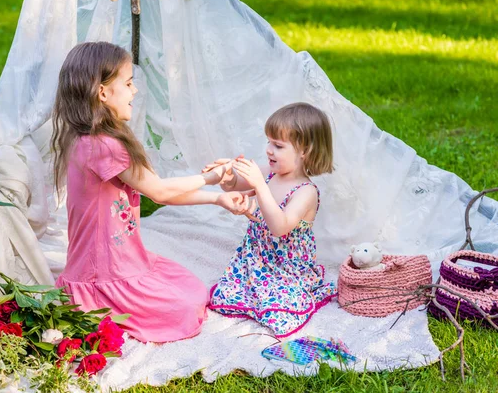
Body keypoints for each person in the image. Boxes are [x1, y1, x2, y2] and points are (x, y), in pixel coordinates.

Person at [51, 42, 250, 343]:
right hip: (104, 271)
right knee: (183, 311)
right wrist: (210, 178)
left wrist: (217, 198)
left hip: (124, 258)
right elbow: (160, 191)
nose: (135, 92)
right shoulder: (103, 146)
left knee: (193, 290)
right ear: (103, 93)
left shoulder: (94, 137)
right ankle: (99, 302)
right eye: (128, 84)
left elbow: (159, 191)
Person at [206, 102, 338, 338]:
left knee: (280, 310)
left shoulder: (305, 191)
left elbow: (279, 227)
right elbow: (236, 185)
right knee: (225, 293)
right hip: (257, 257)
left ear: (304, 150)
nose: (269, 150)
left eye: (277, 145)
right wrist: (227, 178)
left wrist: (259, 185)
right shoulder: (271, 173)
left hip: (287, 267)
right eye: (268, 142)